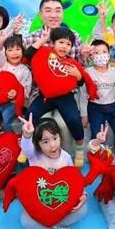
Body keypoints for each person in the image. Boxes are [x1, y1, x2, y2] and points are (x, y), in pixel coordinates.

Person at [16, 114, 87, 229]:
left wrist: (83, 194)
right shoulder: (34, 156)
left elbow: (75, 180)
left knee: (82, 210)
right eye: (45, 141)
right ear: (38, 144)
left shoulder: (66, 158)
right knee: (25, 220)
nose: (53, 145)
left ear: (60, 137)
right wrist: (27, 135)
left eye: (55, 138)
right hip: (40, 203)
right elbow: (27, 149)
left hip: (59, 202)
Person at [26, 27, 94, 167]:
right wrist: (42, 40)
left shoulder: (72, 62)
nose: (64, 46)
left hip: (65, 97)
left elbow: (81, 82)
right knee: (31, 115)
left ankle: (79, 147)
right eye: (61, 42)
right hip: (45, 96)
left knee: (74, 119)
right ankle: (26, 144)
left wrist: (78, 75)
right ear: (53, 43)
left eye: (68, 44)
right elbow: (28, 54)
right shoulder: (44, 53)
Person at [80, 40, 115, 139]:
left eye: (104, 52)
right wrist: (84, 115)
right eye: (96, 52)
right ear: (91, 56)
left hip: (114, 107)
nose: (101, 55)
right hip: (95, 108)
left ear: (109, 54)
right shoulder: (87, 72)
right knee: (97, 137)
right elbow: (83, 95)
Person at [23, 0, 90, 62]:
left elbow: (79, 65)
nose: (53, 15)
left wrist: (83, 56)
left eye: (58, 11)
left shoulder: (75, 36)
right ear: (40, 15)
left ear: (63, 13)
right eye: (48, 11)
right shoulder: (30, 39)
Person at [0, 30, 32, 130]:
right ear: (5, 53)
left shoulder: (25, 70)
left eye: (18, 49)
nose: (14, 53)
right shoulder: (2, 64)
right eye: (10, 50)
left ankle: (8, 137)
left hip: (13, 103)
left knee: (5, 117)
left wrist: (16, 93)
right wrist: (0, 43)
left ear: (22, 52)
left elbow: (26, 89)